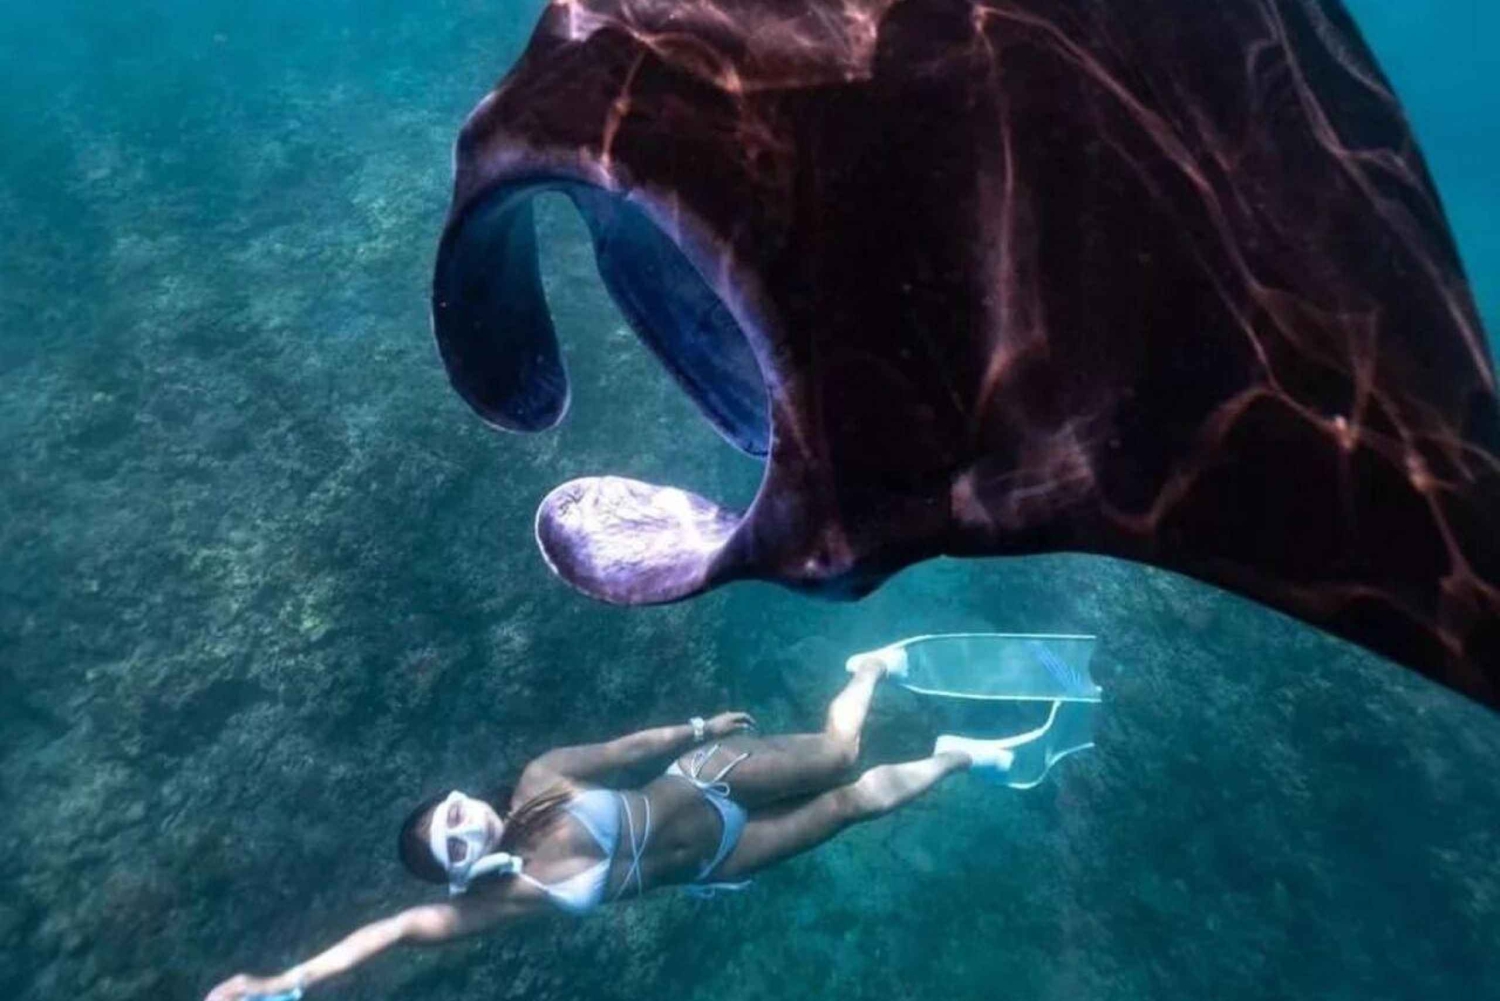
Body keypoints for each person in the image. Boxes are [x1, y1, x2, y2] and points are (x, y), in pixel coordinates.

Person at [204, 658, 1017, 1001]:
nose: (465, 825)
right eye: (456, 844)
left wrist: (698, 725)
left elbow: (625, 750)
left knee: (842, 754)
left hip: (710, 776)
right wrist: (286, 982)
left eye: (453, 813)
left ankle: (868, 667)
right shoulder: (505, 900)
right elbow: (393, 931)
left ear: (458, 794)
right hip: (717, 858)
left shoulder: (541, 778)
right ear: (462, 873)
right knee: (851, 807)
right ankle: (955, 756)